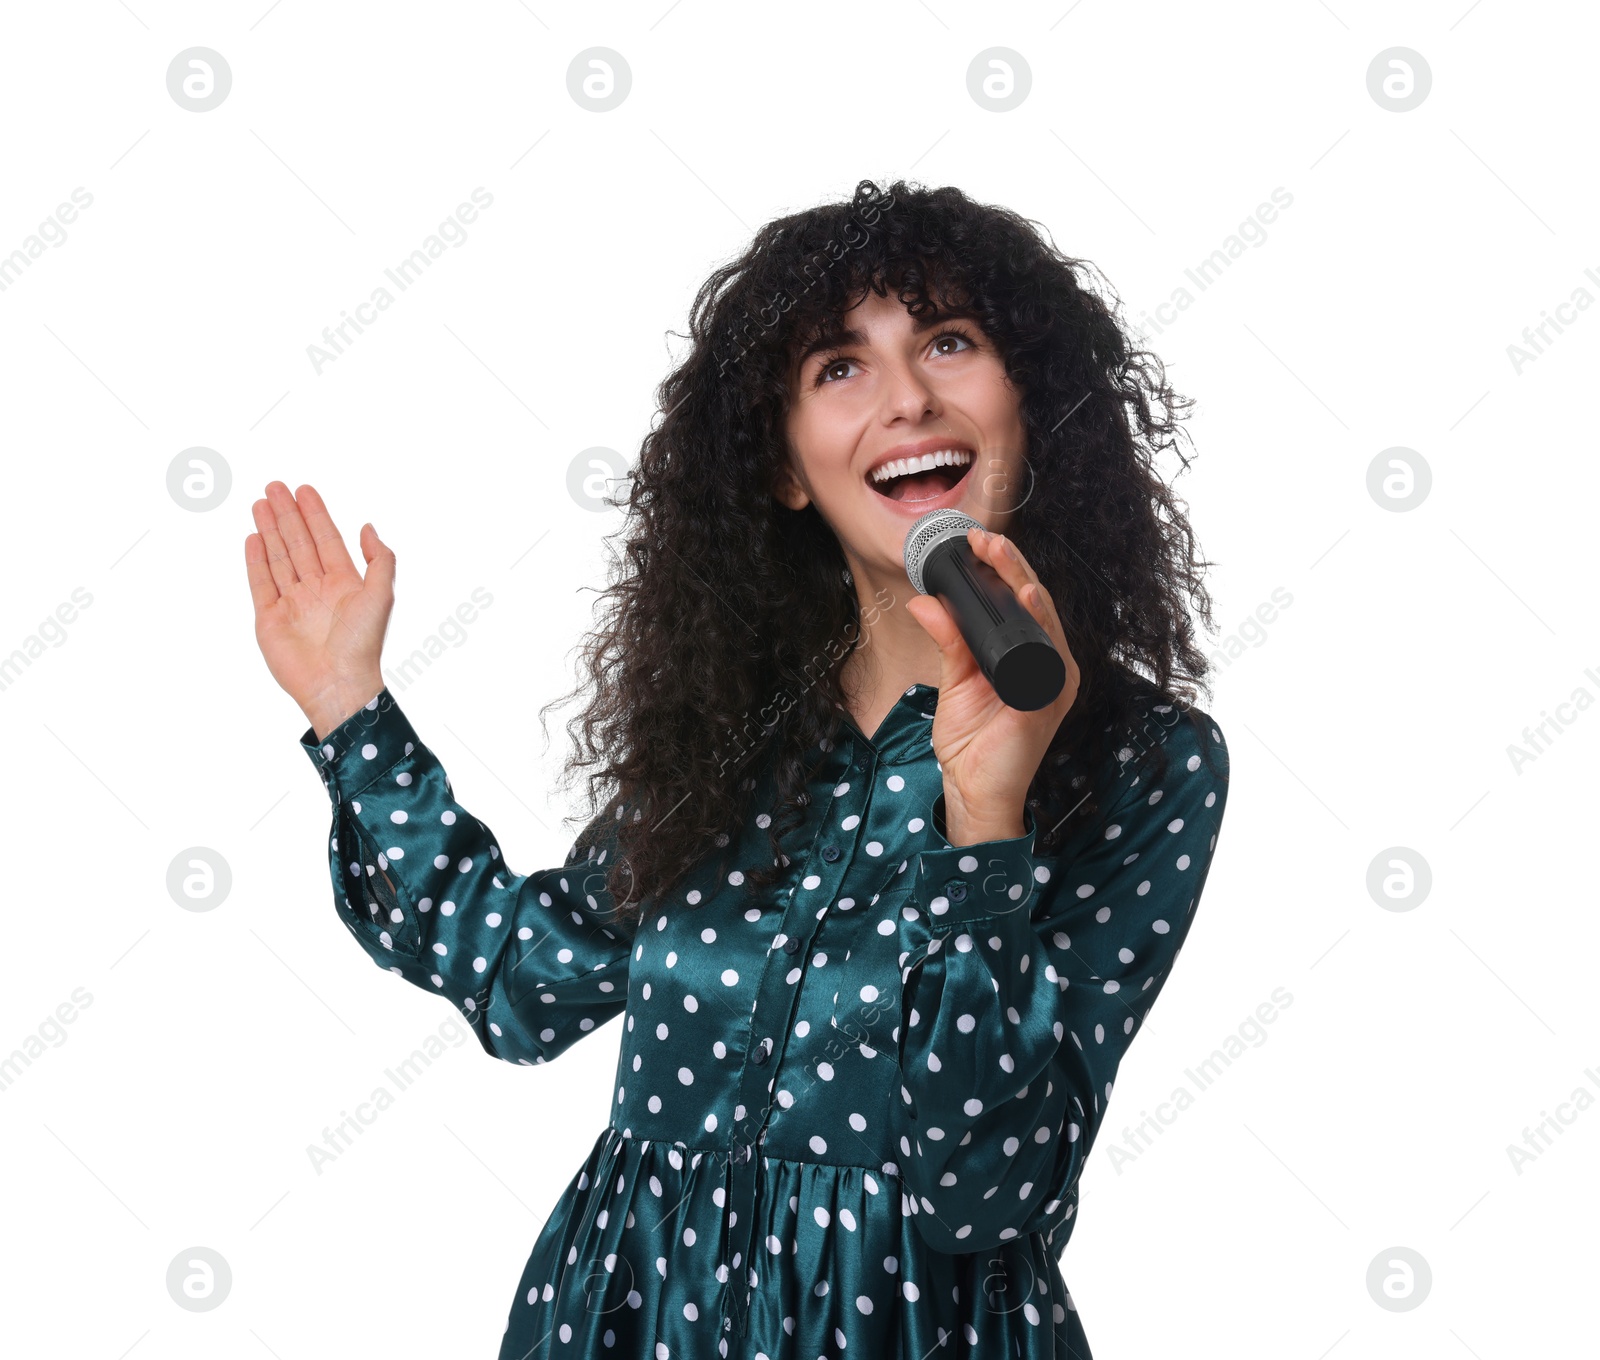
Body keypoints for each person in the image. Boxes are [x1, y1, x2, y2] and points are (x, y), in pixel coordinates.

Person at [245, 178, 1231, 1359]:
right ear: (783, 467)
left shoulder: (1140, 761)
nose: (908, 397)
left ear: (1036, 409)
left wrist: (986, 819)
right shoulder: (735, 742)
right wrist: (349, 709)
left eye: (950, 343)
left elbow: (986, 1188)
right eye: (839, 366)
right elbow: (520, 984)